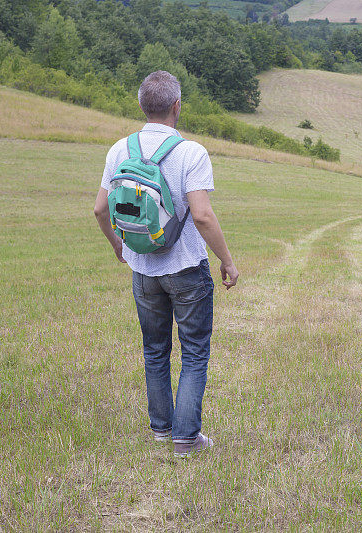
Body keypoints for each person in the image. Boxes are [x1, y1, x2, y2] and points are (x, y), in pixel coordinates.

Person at [94, 70, 239, 458]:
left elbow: (99, 209)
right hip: (188, 267)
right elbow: (203, 216)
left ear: (143, 106)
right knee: (193, 352)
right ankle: (186, 438)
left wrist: (119, 247)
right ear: (177, 106)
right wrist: (227, 260)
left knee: (154, 350)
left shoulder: (119, 150)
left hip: (142, 269)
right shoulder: (192, 152)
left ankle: (161, 431)